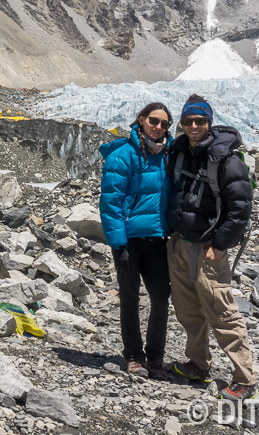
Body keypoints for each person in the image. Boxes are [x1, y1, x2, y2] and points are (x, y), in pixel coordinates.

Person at [166, 95, 257, 402]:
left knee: (221, 311)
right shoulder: (179, 152)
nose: (194, 126)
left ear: (209, 122)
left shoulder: (226, 160)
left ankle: (245, 378)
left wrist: (219, 246)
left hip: (208, 248)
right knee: (188, 310)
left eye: (200, 121)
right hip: (180, 242)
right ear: (182, 123)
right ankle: (198, 364)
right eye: (189, 121)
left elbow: (240, 209)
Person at [98, 102, 173, 380]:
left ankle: (155, 357)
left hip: (157, 240)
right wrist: (118, 244)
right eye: (154, 121)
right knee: (130, 299)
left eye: (164, 124)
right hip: (129, 241)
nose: (158, 127)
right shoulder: (123, 156)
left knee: (161, 299)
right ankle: (133, 356)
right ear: (141, 120)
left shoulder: (168, 155)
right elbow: (110, 203)